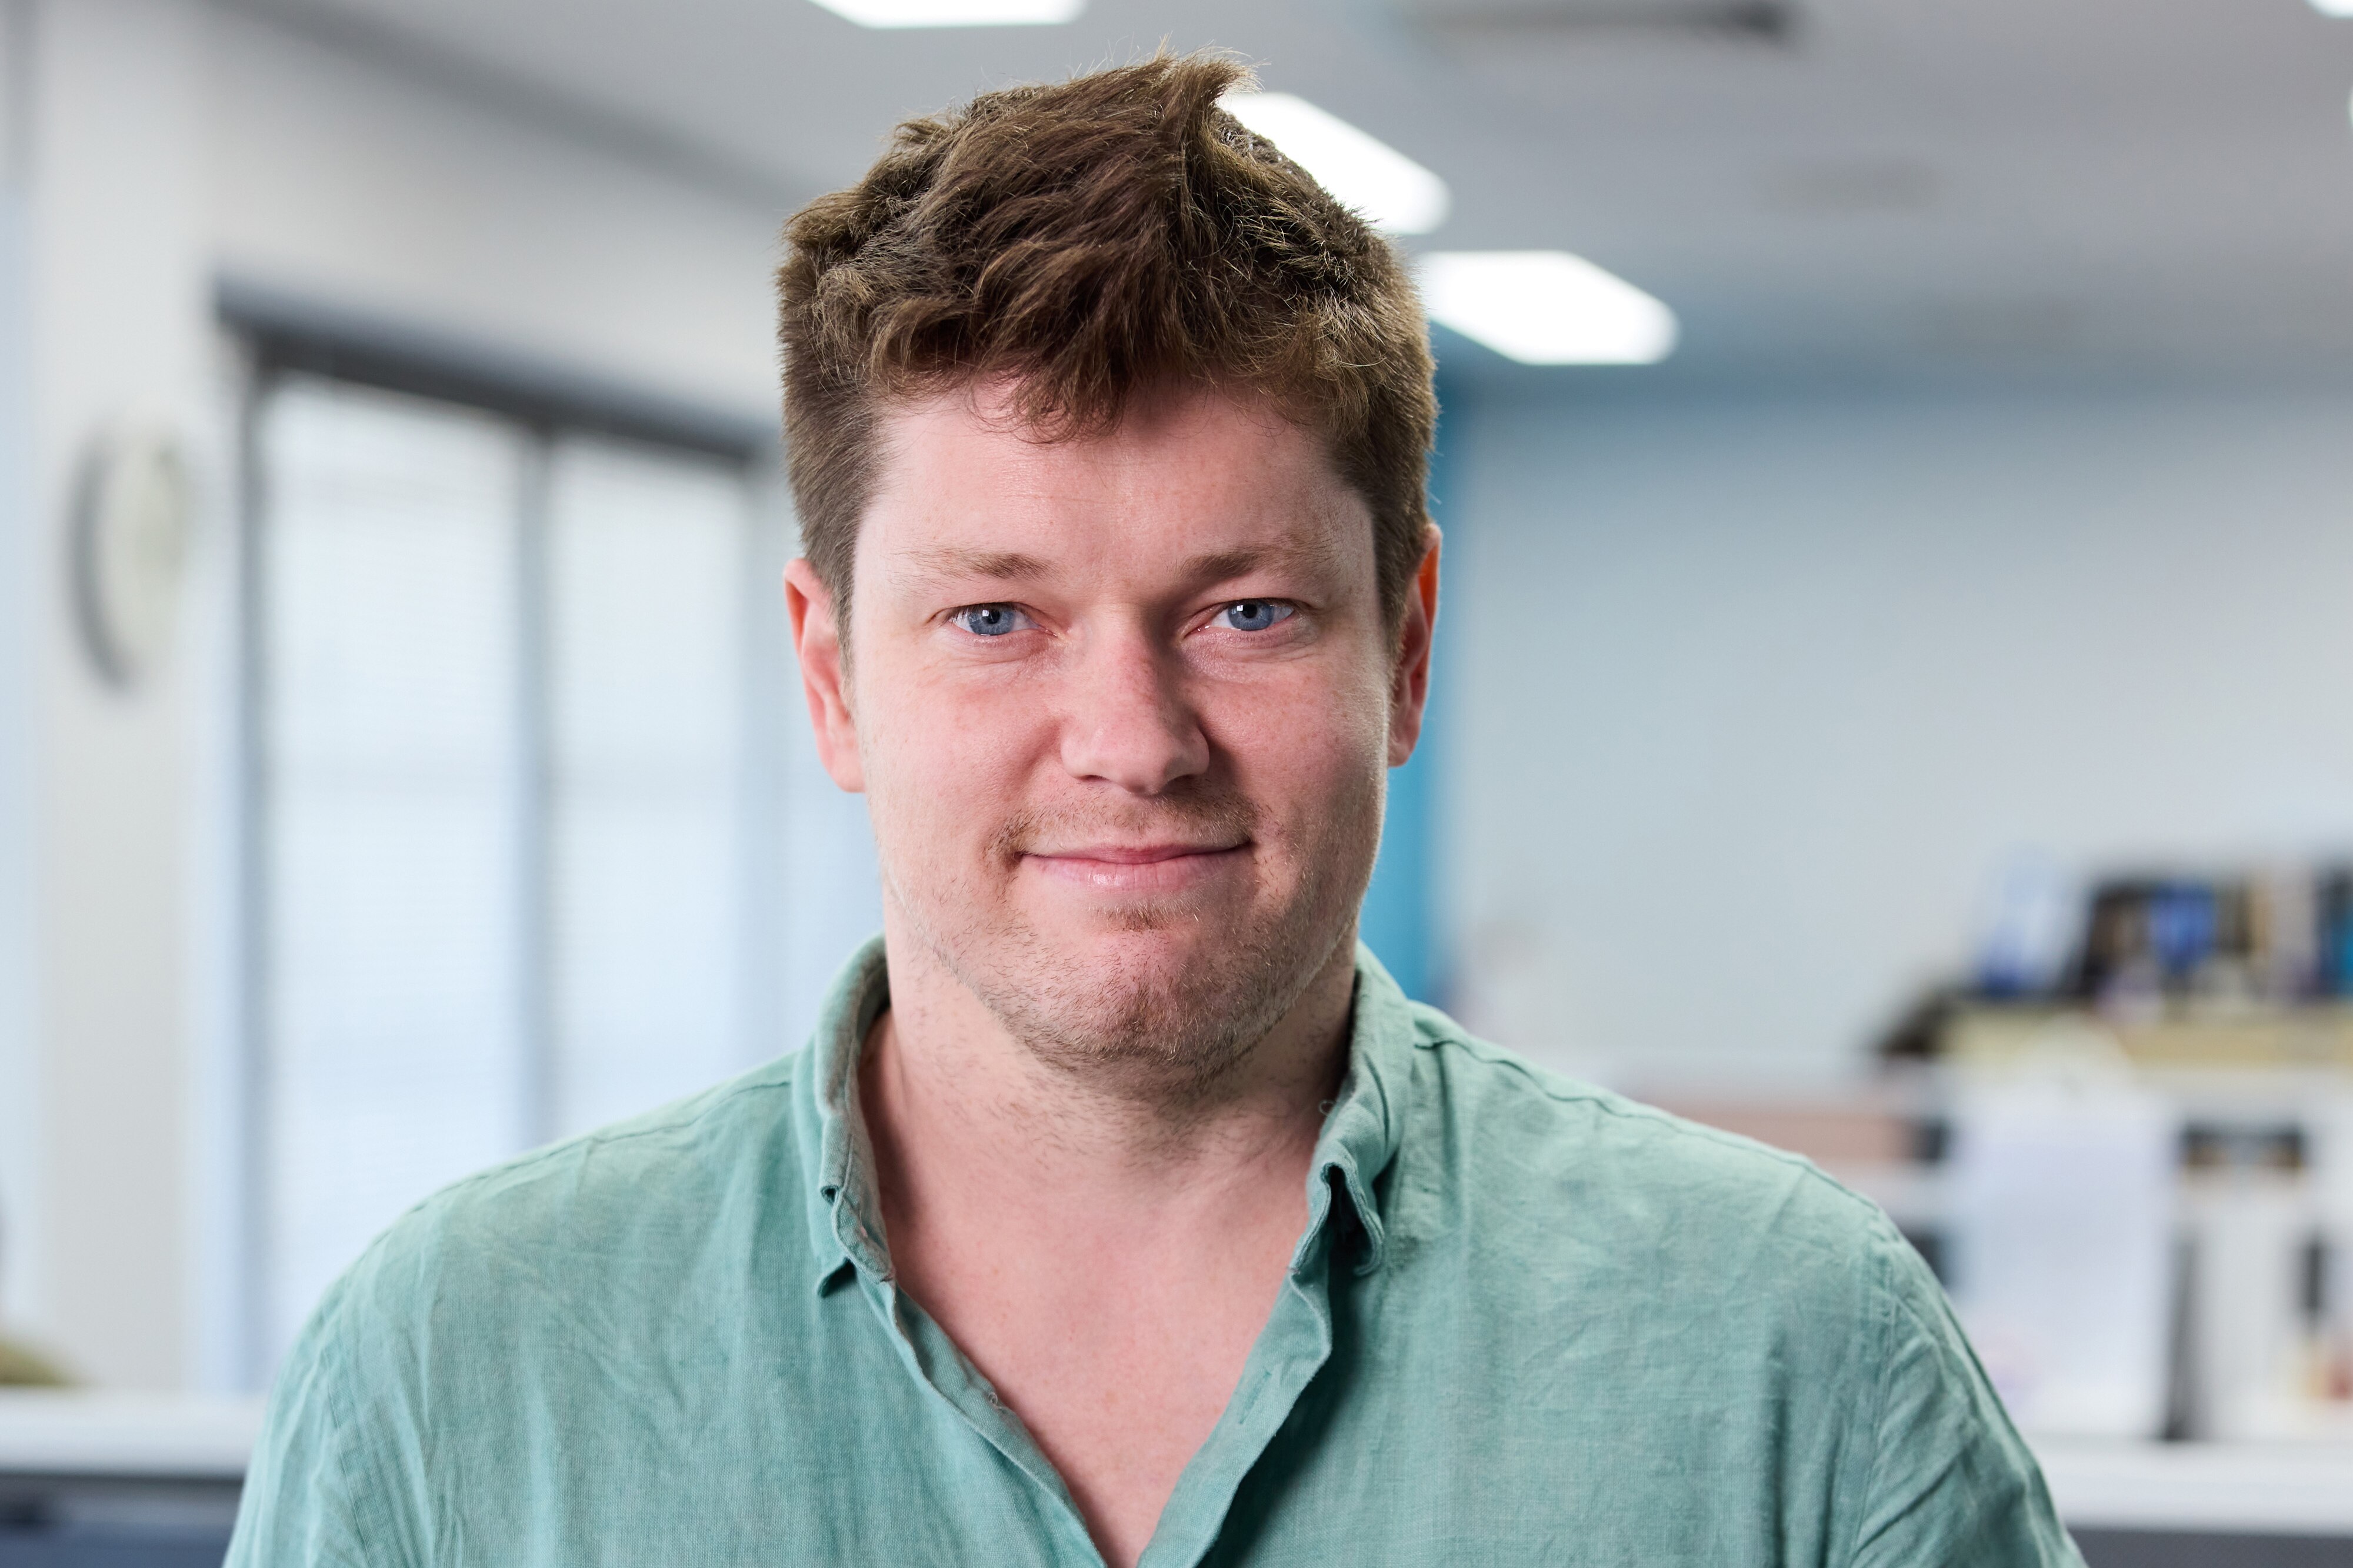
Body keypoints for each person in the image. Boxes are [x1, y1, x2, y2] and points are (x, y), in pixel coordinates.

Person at [228, 53, 2081, 1567]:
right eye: (995, 617)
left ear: (1407, 646)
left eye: (1244, 611)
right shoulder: (449, 1380)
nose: (1130, 740)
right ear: (831, 675)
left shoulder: (1793, 1354)